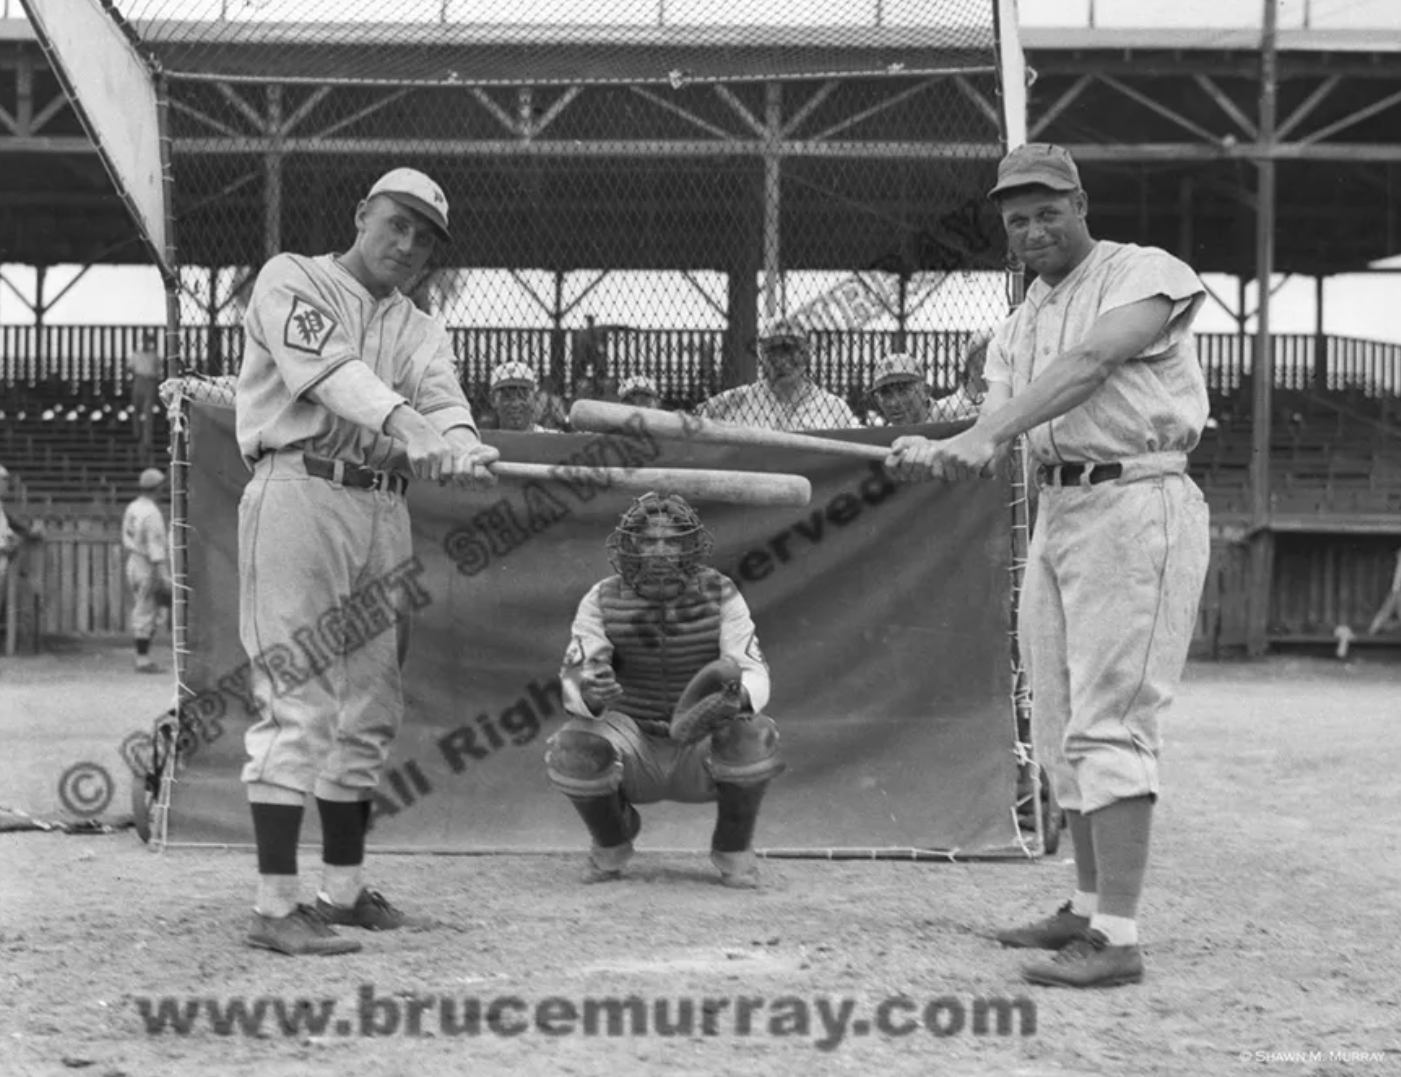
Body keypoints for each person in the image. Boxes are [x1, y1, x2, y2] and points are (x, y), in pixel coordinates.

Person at [887, 142, 1211, 989]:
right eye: (1016, 217)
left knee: (1112, 718)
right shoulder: (1017, 323)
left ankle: (1120, 936)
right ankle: (1086, 901)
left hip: (1138, 498)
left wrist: (983, 434)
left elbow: (1092, 364)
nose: (1032, 228)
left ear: (1079, 204)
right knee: (1059, 716)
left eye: (1046, 210)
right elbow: (993, 420)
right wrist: (942, 443)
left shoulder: (1143, 270)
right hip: (1059, 510)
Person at [234, 167, 500, 956]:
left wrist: (454, 441)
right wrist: (408, 424)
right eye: (397, 224)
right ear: (361, 215)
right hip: (300, 490)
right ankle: (275, 908)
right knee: (299, 697)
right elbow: (332, 376)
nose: (408, 244)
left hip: (382, 505)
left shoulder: (420, 325)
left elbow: (443, 398)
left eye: (424, 237)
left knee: (371, 707)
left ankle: (341, 891)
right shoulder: (293, 277)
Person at [544, 493, 784, 889]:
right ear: (629, 545)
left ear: (689, 546)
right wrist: (590, 693)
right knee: (572, 747)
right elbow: (573, 674)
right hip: (632, 741)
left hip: (700, 744)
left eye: (671, 541)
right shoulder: (601, 597)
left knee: (753, 734)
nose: (659, 551)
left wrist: (734, 698)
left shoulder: (721, 592)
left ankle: (733, 851)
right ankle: (612, 844)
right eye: (648, 540)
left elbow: (753, 669)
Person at [696, 322, 858, 432]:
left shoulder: (834, 408)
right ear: (763, 356)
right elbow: (688, 422)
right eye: (774, 351)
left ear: (805, 355)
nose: (782, 360)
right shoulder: (737, 399)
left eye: (789, 349)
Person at [121, 468, 171, 673]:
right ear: (158, 488)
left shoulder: (133, 506)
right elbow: (155, 547)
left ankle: (142, 656)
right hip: (147, 564)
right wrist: (165, 575)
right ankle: (142, 659)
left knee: (147, 609)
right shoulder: (152, 513)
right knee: (147, 611)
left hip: (133, 560)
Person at [869, 346, 984, 427]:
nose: (894, 402)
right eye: (886, 393)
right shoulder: (888, 434)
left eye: (902, 390)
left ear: (926, 391)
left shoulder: (953, 411)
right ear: (878, 400)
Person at [489, 361, 556, 432]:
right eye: (507, 396)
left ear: (534, 399)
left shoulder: (555, 439)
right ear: (493, 401)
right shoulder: (483, 441)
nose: (515, 404)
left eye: (522, 395)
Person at [128, 330, 161, 464]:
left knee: (147, 411)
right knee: (136, 409)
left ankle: (146, 439)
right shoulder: (136, 355)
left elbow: (158, 371)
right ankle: (136, 433)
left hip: (149, 381)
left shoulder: (155, 356)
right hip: (139, 380)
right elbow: (130, 368)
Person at [1366, 548, 1401, 636]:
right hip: (1396, 591)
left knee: (1384, 615)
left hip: (1396, 591)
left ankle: (1374, 630)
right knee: (1384, 614)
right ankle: (1373, 630)